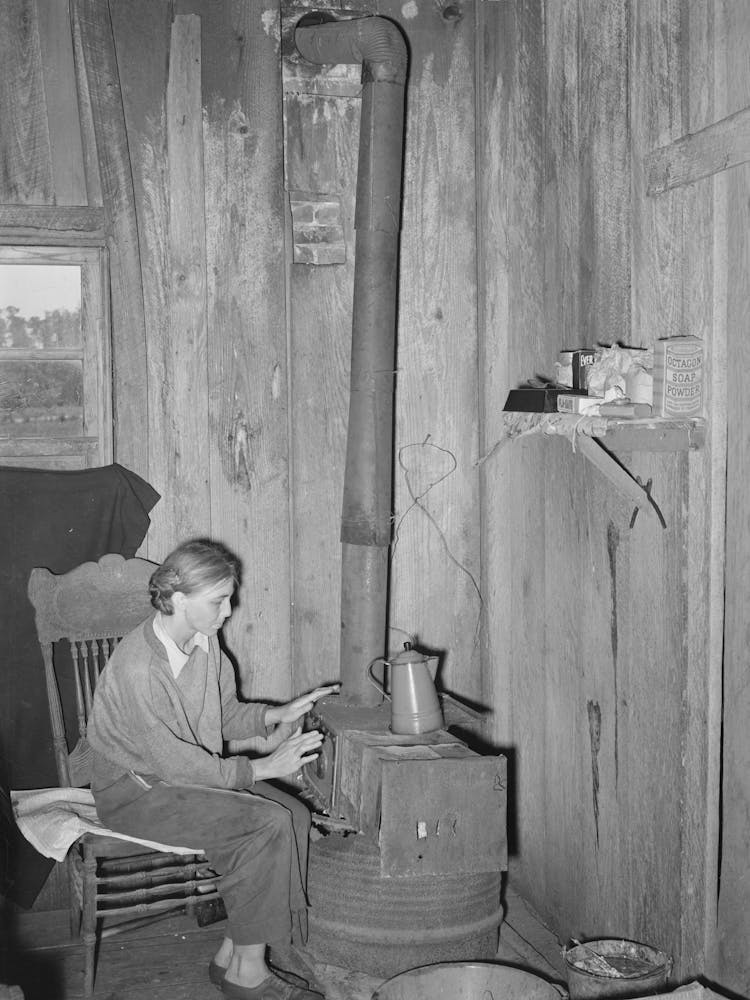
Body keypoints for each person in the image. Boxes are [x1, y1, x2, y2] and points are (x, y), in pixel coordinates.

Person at [87, 538, 338, 1000]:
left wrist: (275, 715)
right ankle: (248, 973)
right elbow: (177, 764)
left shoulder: (204, 639)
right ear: (179, 599)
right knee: (265, 823)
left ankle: (232, 952)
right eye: (219, 600)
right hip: (133, 793)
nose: (228, 611)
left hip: (179, 779)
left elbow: (224, 712)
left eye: (228, 599)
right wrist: (262, 768)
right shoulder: (138, 668)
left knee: (295, 817)